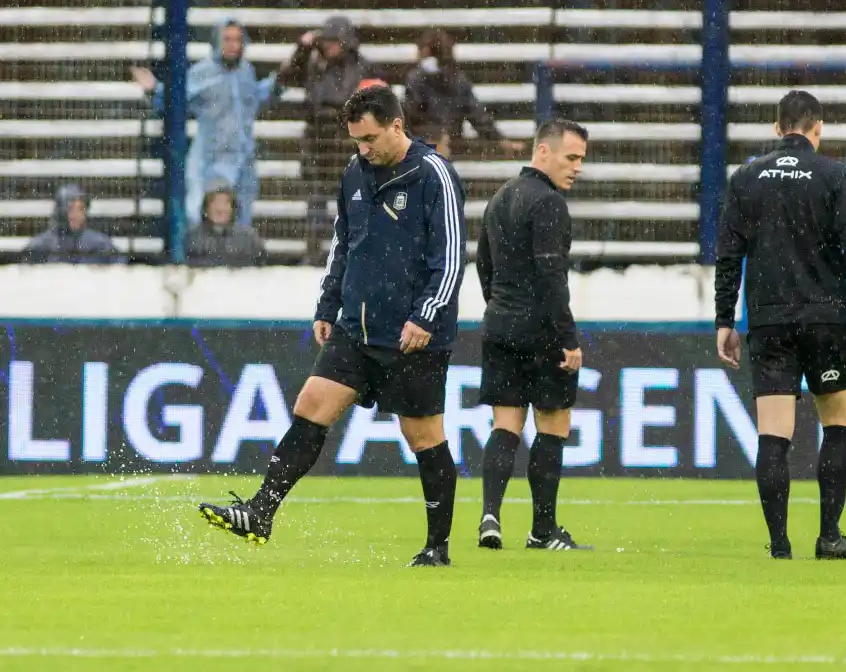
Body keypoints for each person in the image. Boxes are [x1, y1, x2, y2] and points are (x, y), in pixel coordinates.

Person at [198, 85, 467, 568]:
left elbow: (449, 259)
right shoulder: (354, 173)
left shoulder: (434, 176)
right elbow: (344, 243)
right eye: (356, 141)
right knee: (311, 405)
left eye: (369, 139)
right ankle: (260, 513)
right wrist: (328, 304)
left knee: (423, 436)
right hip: (356, 328)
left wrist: (426, 315)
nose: (363, 149)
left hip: (413, 335)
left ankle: (436, 547)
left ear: (396, 126)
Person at [714, 90, 846, 561]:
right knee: (837, 425)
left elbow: (728, 256)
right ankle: (829, 536)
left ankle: (780, 544)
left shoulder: (746, 178)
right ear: (818, 128)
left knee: (774, 434)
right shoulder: (834, 175)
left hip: (769, 321)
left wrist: (724, 319)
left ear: (776, 128)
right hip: (826, 319)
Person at [474, 119, 590, 552]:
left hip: (499, 324)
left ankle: (490, 514)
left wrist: (501, 307)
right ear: (543, 151)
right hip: (540, 330)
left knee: (505, 424)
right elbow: (551, 275)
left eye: (581, 159)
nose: (577, 167)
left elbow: (484, 264)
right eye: (571, 157)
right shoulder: (549, 203)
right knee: (553, 425)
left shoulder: (501, 196)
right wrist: (568, 338)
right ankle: (543, 530)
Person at [132, 17, 278, 228]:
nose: (233, 45)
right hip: (210, 159)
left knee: (242, 216)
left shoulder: (247, 71)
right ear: (217, 41)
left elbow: (258, 97)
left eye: (237, 39)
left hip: (242, 159)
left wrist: (281, 80)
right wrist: (155, 89)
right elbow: (176, 101)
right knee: (200, 215)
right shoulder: (203, 72)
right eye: (227, 39)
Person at [276, 16, 376, 262]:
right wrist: (303, 47)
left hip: (347, 139)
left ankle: (358, 251)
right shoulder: (314, 64)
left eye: (334, 42)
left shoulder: (362, 66)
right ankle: (313, 250)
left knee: (354, 198)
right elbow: (285, 78)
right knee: (316, 198)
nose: (329, 47)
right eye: (326, 41)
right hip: (317, 138)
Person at [403, 29, 524, 159]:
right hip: (447, 146)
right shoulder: (458, 80)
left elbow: (411, 113)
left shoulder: (417, 79)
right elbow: (478, 116)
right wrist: (500, 141)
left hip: (423, 148)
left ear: (425, 50)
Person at [21, 183, 122, 264]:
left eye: (81, 209)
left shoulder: (100, 244)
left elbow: (119, 270)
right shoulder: (40, 245)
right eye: (70, 209)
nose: (77, 215)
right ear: (60, 211)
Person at [186, 181, 268, 268]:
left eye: (225, 203)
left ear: (233, 208)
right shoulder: (192, 237)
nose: (220, 208)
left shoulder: (249, 238)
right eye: (215, 202)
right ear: (206, 208)